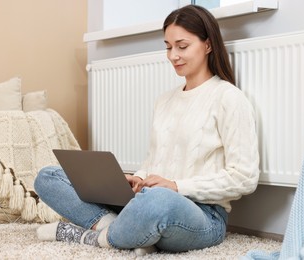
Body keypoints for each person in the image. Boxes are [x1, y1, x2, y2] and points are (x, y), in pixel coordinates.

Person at [34, 4, 259, 255]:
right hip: (147, 201)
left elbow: (244, 179)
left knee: (157, 202)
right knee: (48, 176)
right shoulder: (164, 101)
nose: (173, 55)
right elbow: (154, 160)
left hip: (202, 215)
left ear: (208, 45)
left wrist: (175, 187)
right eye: (168, 47)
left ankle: (95, 237)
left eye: (182, 46)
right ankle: (123, 230)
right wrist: (139, 178)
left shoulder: (229, 98)